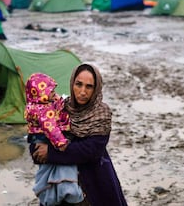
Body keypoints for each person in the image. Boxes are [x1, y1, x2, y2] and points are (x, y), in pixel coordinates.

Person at [31, 63, 128, 206]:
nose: (83, 91)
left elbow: (91, 151)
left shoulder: (101, 114)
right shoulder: (59, 108)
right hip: (59, 185)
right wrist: (39, 150)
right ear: (72, 84)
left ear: (96, 88)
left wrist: (51, 153)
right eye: (79, 84)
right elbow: (36, 145)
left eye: (89, 86)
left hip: (94, 183)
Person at [25, 73, 84, 206]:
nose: (54, 94)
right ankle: (53, 194)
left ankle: (52, 194)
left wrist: (59, 101)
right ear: (41, 94)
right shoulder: (43, 110)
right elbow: (51, 129)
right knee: (46, 170)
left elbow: (91, 151)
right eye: (50, 92)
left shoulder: (40, 104)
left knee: (48, 170)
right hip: (44, 137)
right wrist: (61, 144)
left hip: (41, 137)